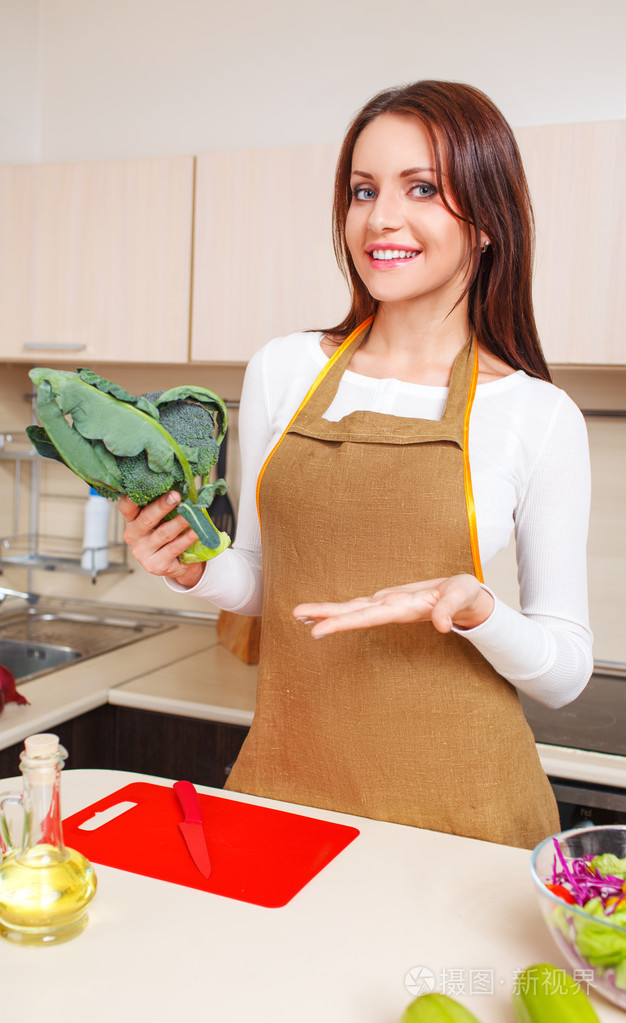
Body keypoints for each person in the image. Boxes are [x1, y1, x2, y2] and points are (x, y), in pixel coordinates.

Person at [119, 80, 592, 849]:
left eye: (424, 188)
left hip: (462, 816)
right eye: (363, 190)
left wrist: (476, 610)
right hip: (289, 785)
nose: (381, 219)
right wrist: (190, 567)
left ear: (486, 222)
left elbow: (566, 670)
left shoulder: (537, 415)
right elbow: (269, 581)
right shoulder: (282, 370)